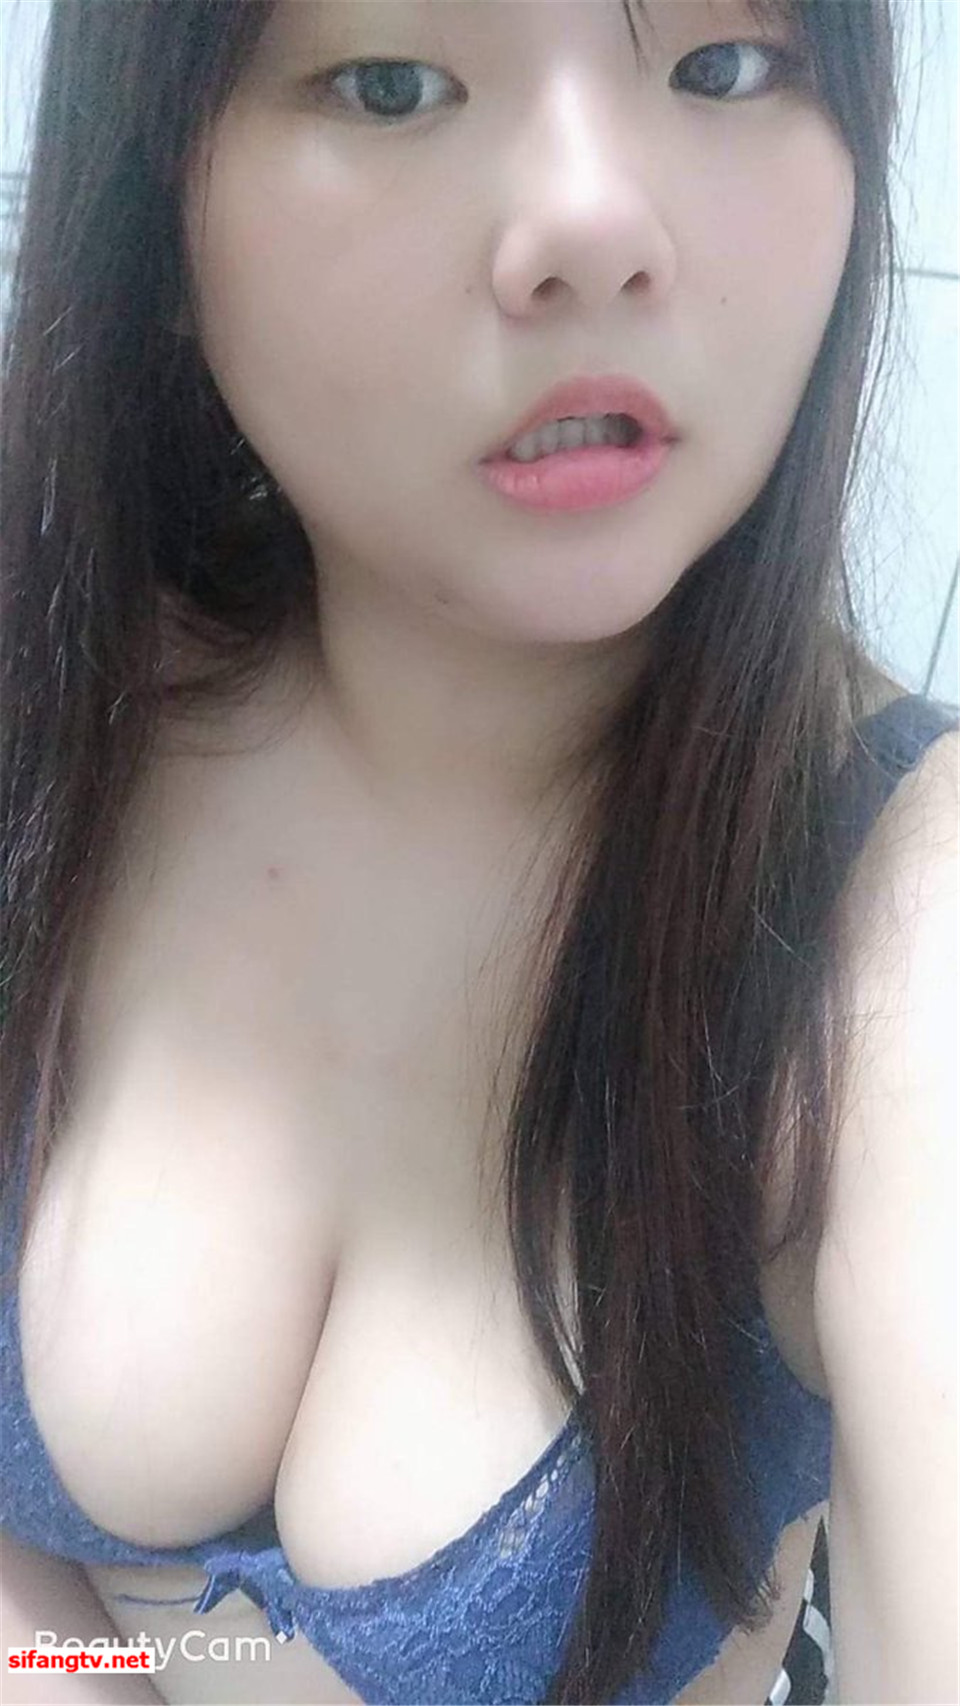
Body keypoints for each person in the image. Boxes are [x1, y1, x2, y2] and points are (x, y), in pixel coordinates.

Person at [0, 2, 956, 1703]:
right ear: (153, 187)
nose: (595, 222)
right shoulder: (74, 688)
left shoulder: (902, 924)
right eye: (392, 83)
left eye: (728, 65)